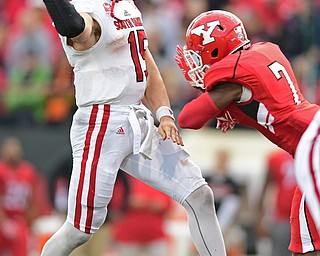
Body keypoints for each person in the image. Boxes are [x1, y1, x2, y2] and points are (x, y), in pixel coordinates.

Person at [40, 1, 226, 256]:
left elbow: (147, 66)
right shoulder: (87, 8)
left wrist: (164, 114)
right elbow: (76, 28)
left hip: (137, 119)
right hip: (102, 122)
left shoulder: (124, 5)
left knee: (199, 195)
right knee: (80, 229)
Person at [175, 9, 320, 255]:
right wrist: (233, 111)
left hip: (313, 147)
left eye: (199, 54)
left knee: (306, 248)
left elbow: (187, 118)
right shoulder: (264, 50)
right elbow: (264, 100)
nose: (196, 64)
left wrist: (221, 104)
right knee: (305, 243)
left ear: (216, 48)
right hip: (312, 135)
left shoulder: (234, 78)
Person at [0, 136, 52, 255]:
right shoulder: (1, 170)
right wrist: (3, 221)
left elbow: (30, 201)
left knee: (23, 248)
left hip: (20, 220)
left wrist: (31, 225)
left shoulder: (28, 171)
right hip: (4, 218)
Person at [111, 172, 173, 256]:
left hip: (155, 236)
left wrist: (143, 203)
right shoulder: (127, 178)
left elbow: (165, 204)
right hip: (128, 236)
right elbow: (118, 201)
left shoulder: (159, 180)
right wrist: (150, 203)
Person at [257, 150, 297, 255]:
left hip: (305, 216)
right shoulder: (276, 158)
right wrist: (260, 217)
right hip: (282, 217)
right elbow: (265, 187)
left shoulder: (310, 151)